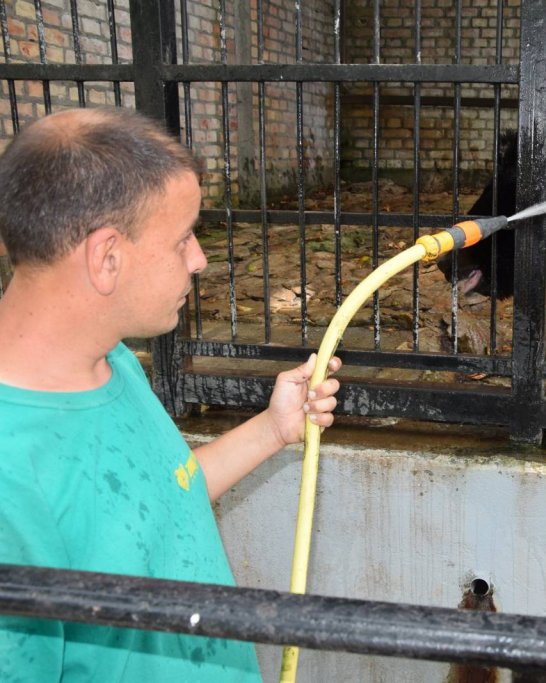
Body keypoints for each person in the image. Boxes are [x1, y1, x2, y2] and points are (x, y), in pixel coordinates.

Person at [0, 107, 342, 681]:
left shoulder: (108, 359)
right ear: (106, 258)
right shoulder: (11, 474)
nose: (199, 259)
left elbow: (165, 495)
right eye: (183, 238)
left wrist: (272, 429)